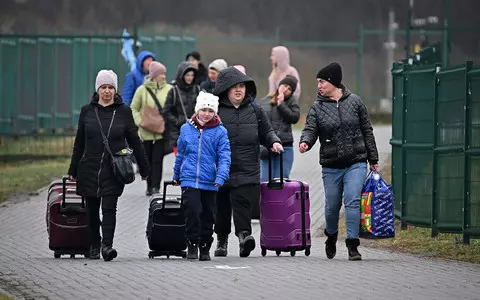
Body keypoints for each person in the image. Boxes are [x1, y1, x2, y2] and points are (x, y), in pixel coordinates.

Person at [299, 62, 379, 261]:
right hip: (331, 165)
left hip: (356, 162)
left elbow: (367, 130)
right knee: (332, 206)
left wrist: (374, 158)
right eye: (318, 82)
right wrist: (305, 143)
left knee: (352, 201)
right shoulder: (317, 108)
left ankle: (353, 244)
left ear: (333, 82)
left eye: (322, 81)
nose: (319, 85)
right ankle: (331, 236)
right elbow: (310, 129)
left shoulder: (356, 102)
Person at [68, 70, 150, 261]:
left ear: (115, 89)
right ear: (97, 89)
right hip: (89, 167)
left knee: (109, 208)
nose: (107, 91)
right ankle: (94, 245)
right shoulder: (87, 111)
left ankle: (107, 246)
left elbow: (135, 141)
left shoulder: (124, 111)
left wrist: (145, 169)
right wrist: (72, 169)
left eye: (110, 87)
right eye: (103, 87)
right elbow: (79, 142)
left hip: (114, 168)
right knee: (91, 210)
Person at [212, 67, 283, 258]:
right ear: (225, 89)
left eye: (242, 86)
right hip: (221, 167)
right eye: (234, 86)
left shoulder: (255, 110)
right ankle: (221, 240)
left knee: (242, 202)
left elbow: (267, 132)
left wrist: (274, 142)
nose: (238, 90)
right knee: (222, 205)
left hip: (246, 165)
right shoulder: (215, 109)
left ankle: (244, 237)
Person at [172, 91, 231, 261]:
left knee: (207, 215)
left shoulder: (220, 132)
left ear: (215, 113)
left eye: (210, 111)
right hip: (189, 178)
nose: (206, 114)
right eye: (204, 110)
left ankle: (205, 245)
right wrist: (177, 174)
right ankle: (192, 242)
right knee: (192, 211)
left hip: (210, 181)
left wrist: (221, 177)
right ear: (197, 110)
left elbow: (225, 156)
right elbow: (181, 154)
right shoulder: (186, 128)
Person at [130, 61, 172, 196]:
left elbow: (174, 108)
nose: (164, 76)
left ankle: (155, 187)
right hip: (145, 133)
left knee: (157, 160)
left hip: (161, 133)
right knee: (147, 160)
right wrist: (139, 121)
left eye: (165, 73)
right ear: (154, 75)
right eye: (161, 74)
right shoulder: (142, 90)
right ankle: (149, 186)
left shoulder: (170, 90)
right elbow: (133, 108)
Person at [258, 75, 300, 182]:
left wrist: (281, 105)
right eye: (285, 85)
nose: (285, 89)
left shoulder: (292, 102)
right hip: (267, 148)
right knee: (264, 181)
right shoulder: (264, 101)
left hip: (284, 147)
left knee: (281, 181)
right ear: (279, 85)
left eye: (290, 89)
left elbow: (294, 118)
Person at [163, 61, 200, 154]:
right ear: (181, 75)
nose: (190, 78)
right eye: (187, 75)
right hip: (178, 134)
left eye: (192, 75)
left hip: (195, 132)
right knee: (181, 164)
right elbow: (166, 111)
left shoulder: (198, 89)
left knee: (193, 164)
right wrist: (178, 120)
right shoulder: (174, 91)